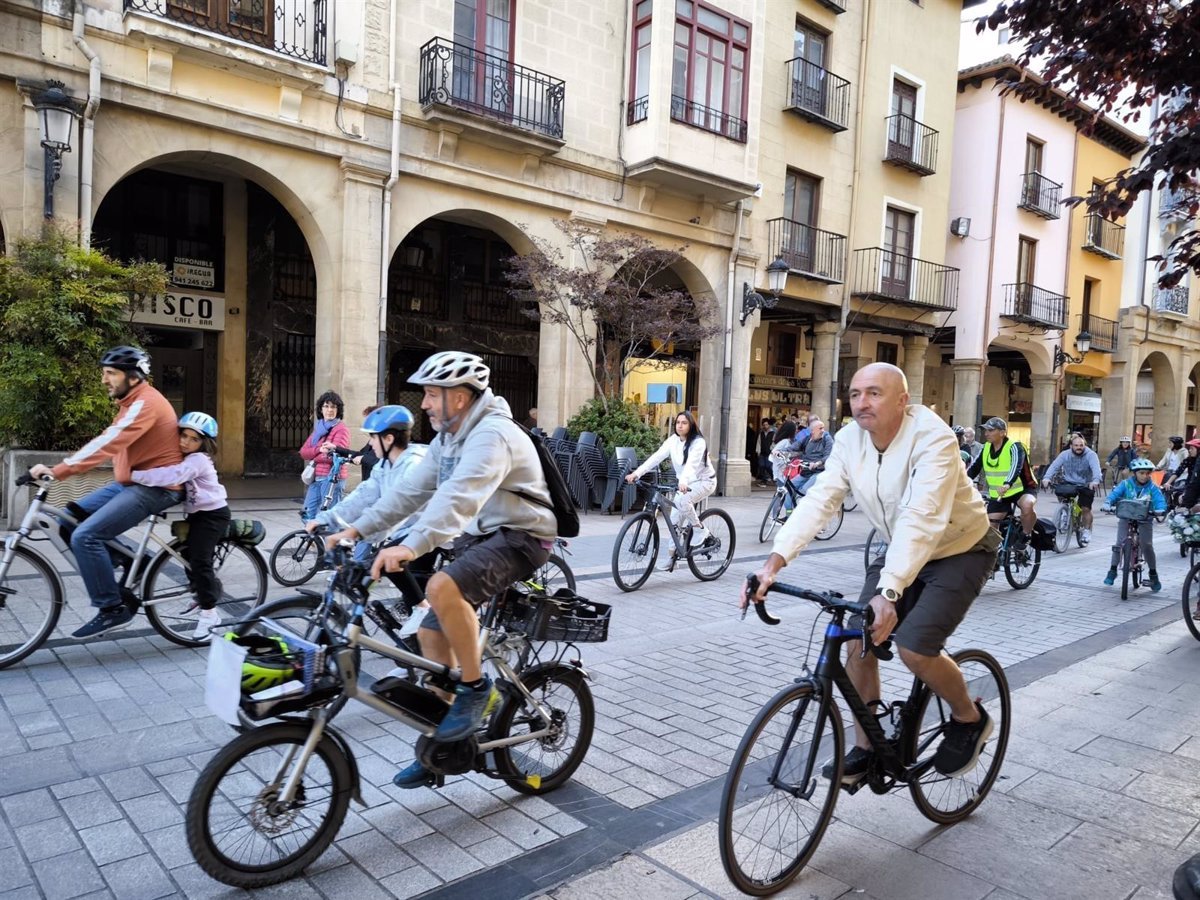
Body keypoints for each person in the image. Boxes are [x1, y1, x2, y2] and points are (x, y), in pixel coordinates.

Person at [744, 363, 998, 782]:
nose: (862, 402)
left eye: (874, 393)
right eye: (856, 392)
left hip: (960, 548)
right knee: (857, 643)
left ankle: (968, 718)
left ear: (903, 400)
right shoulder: (847, 441)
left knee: (915, 648)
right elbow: (821, 500)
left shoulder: (932, 438)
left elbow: (923, 515)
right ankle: (868, 747)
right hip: (901, 545)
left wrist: (891, 593)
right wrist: (774, 562)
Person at [324, 351, 556, 788]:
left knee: (442, 584)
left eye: (432, 394)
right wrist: (356, 529)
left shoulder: (492, 436)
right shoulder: (449, 438)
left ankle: (475, 689)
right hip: (487, 534)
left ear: (462, 398)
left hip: (524, 536)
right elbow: (408, 494)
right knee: (430, 631)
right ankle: (441, 750)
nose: (425, 404)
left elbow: (458, 501)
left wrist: (410, 547)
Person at [29, 346, 183, 640]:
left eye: (110, 373)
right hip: (131, 482)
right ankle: (134, 563)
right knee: (68, 519)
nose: (104, 380)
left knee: (86, 536)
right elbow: (106, 439)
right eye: (104, 373)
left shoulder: (146, 403)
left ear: (134, 377)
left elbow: (106, 445)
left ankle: (112, 608)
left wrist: (57, 469)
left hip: (156, 487)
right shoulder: (130, 403)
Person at [130, 412, 230, 637]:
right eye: (183, 435)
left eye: (194, 439)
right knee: (188, 559)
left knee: (200, 562)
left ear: (204, 443)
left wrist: (136, 476)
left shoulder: (198, 460)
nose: (186, 442)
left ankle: (209, 614)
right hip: (198, 515)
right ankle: (200, 594)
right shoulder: (186, 456)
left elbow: (173, 476)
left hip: (213, 515)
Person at [307, 405, 427, 571]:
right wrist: (326, 519)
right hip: (407, 532)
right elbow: (362, 496)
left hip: (429, 532)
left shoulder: (412, 466)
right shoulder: (385, 464)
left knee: (388, 562)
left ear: (389, 439)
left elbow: (392, 510)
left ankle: (419, 598)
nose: (370, 443)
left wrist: (354, 532)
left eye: (373, 437)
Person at [626, 411, 718, 548]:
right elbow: (656, 457)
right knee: (674, 523)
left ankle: (699, 529)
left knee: (683, 501)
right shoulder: (673, 441)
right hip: (684, 484)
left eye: (684, 423)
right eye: (678, 423)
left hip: (704, 482)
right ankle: (672, 559)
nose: (680, 426)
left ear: (691, 425)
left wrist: (683, 481)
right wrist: (637, 473)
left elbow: (691, 465)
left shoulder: (698, 442)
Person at [966, 417, 1037, 546]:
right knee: (991, 525)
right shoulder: (986, 448)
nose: (986, 433)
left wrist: (1007, 483)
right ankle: (995, 555)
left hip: (1021, 489)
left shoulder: (1015, 446)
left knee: (1027, 506)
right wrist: (961, 481)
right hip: (999, 494)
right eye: (985, 430)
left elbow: (1016, 466)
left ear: (1002, 432)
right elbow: (974, 468)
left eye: (991, 430)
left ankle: (1026, 535)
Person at [1101, 457, 1167, 591]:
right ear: (1134, 473)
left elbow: (1160, 500)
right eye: (1141, 473)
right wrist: (1108, 503)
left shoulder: (1153, 487)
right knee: (1119, 544)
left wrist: (1160, 509)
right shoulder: (1125, 484)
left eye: (1147, 473)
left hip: (1145, 519)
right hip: (1126, 517)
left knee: (1147, 545)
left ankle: (1153, 574)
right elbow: (1114, 495)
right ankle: (1112, 570)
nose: (1145, 476)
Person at [1040, 432, 1102, 545]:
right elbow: (1054, 466)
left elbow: (1096, 469)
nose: (1079, 447)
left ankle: (1087, 531)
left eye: (1081, 445)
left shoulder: (1091, 455)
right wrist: (1047, 478)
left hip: (1086, 484)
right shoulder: (1065, 454)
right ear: (1071, 446)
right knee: (1061, 491)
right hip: (1069, 482)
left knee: (1085, 509)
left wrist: (1095, 481)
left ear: (1084, 445)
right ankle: (1065, 511)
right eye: (1076, 445)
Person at [300, 391, 350, 521]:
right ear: (321, 409)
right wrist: (318, 450)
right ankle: (318, 541)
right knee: (307, 514)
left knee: (330, 517)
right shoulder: (319, 429)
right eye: (326, 406)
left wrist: (314, 454)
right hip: (317, 477)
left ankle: (333, 541)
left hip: (333, 478)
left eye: (333, 407)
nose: (330, 410)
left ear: (338, 410)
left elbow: (334, 455)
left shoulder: (341, 429)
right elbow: (303, 452)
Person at [788, 417, 834, 494]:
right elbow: (793, 447)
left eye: (823, 428)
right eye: (820, 428)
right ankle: (792, 506)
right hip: (805, 472)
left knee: (804, 491)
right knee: (788, 488)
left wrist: (818, 463)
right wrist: (778, 451)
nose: (823, 430)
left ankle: (804, 503)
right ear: (812, 431)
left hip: (819, 472)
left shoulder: (827, 439)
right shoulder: (806, 439)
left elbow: (828, 455)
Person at [351, 405, 381, 481]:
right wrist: (337, 449)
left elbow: (377, 459)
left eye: (368, 420)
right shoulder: (372, 438)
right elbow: (360, 454)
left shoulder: (383, 437)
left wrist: (363, 458)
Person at [1167, 438, 1200, 505]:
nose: (1189, 450)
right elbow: (1178, 471)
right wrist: (1168, 482)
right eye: (1189, 448)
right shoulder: (1188, 459)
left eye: (1192, 449)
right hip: (1189, 484)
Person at [756, 418, 776, 486]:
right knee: (761, 466)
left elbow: (774, 443)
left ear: (769, 425)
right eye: (764, 425)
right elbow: (758, 442)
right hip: (762, 453)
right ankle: (764, 480)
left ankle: (774, 478)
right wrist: (758, 451)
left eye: (766, 425)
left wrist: (772, 450)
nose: (765, 426)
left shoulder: (773, 433)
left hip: (769, 453)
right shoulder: (761, 434)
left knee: (768, 466)